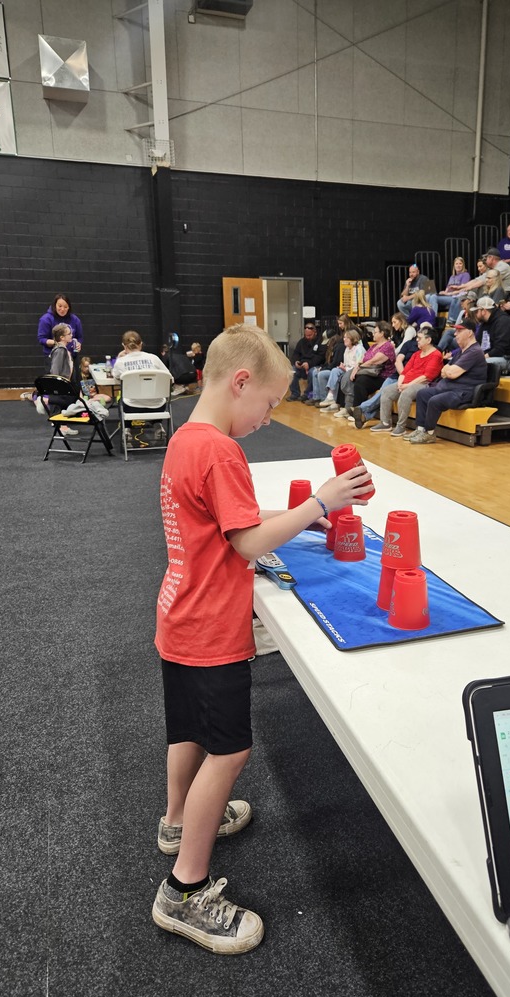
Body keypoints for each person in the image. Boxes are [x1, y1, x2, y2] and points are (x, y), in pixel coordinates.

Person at [152, 323, 372, 954]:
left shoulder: (186, 438)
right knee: (230, 752)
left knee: (188, 731)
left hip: (178, 618)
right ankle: (184, 889)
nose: (269, 418)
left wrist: (292, 519)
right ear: (241, 382)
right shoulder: (222, 451)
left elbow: (228, 526)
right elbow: (246, 541)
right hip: (212, 631)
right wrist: (321, 506)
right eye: (270, 404)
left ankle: (178, 822)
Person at [405, 318, 487, 445]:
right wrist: (448, 370)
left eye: (459, 331)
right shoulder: (462, 351)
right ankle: (420, 429)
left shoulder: (475, 352)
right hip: (450, 388)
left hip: (463, 392)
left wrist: (448, 370)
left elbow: (451, 373)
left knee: (434, 401)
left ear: (470, 333)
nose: (455, 334)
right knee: (422, 394)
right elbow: (444, 371)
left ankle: (429, 434)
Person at [366, 325, 443, 436]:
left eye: (420, 338)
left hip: (423, 384)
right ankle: (385, 422)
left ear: (429, 340)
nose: (417, 340)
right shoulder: (416, 354)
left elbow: (426, 377)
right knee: (387, 391)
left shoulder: (436, 355)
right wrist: (400, 383)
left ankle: (401, 427)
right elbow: (405, 371)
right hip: (406, 382)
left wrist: (407, 385)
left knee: (406, 394)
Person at [113, 330, 174, 445]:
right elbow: (170, 379)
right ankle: (157, 424)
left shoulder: (121, 362)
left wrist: (119, 357)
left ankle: (126, 429)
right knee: (154, 397)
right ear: (141, 344)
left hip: (132, 407)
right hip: (158, 407)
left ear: (124, 346)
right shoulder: (154, 358)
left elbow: (116, 379)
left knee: (120, 399)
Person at [342, 320, 395, 420]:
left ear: (382, 333)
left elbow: (374, 361)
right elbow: (363, 358)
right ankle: (352, 408)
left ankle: (358, 411)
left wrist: (358, 368)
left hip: (383, 376)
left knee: (362, 381)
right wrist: (357, 367)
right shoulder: (374, 346)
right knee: (356, 378)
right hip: (370, 373)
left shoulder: (388, 346)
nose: (372, 334)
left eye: (375, 332)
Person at [473, 295, 510, 375]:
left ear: (484, 311)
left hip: (509, 359)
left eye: (476, 311)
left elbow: (500, 349)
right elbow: (477, 343)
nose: (475, 314)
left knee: (477, 363)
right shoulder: (485, 323)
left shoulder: (503, 321)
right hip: (493, 356)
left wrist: (480, 358)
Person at [326, 329, 365, 416]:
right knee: (335, 371)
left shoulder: (359, 349)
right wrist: (343, 366)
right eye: (344, 337)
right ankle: (332, 398)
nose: (344, 339)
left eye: (347, 337)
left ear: (353, 338)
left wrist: (346, 369)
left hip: (357, 371)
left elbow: (358, 365)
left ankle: (346, 407)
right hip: (347, 369)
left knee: (344, 378)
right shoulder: (347, 349)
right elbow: (347, 363)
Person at [37, 294, 83, 367]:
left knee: (74, 378)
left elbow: (79, 337)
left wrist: (78, 344)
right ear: (55, 305)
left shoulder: (75, 320)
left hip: (71, 356)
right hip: (53, 357)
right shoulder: (46, 319)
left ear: (69, 307)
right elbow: (41, 339)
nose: (62, 309)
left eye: (65, 307)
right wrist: (59, 344)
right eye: (60, 306)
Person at [286, 322, 323, 401]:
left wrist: (309, 364)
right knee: (292, 371)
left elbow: (320, 357)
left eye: (310, 335)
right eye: (306, 335)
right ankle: (295, 393)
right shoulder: (301, 342)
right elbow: (296, 353)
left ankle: (308, 394)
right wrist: (296, 362)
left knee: (312, 372)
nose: (308, 337)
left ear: (315, 333)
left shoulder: (320, 342)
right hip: (302, 365)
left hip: (315, 365)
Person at [307, 328, 343, 405]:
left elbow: (335, 363)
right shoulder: (331, 347)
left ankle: (324, 399)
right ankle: (317, 397)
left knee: (321, 374)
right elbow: (328, 362)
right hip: (330, 368)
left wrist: (323, 369)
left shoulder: (339, 347)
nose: (327, 344)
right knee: (315, 371)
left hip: (335, 369)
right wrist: (322, 367)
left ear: (332, 339)